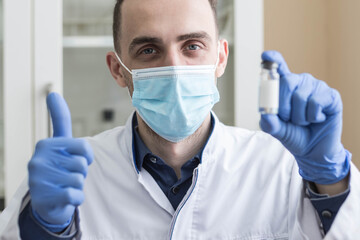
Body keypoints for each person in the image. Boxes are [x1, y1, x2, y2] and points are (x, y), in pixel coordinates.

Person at [1, 0, 360, 239]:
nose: (174, 67)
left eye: (192, 46)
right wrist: (44, 227)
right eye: (148, 50)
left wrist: (331, 182)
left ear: (220, 58)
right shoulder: (72, 176)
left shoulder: (280, 167)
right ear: (118, 70)